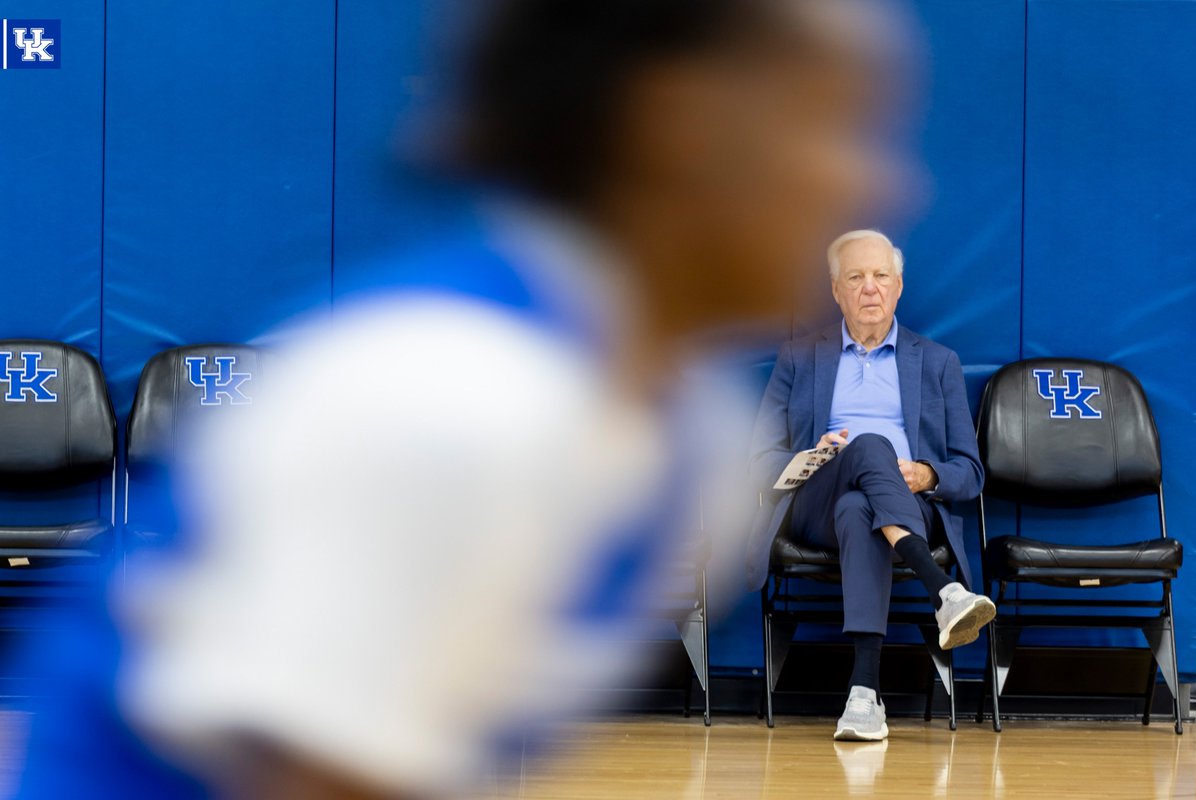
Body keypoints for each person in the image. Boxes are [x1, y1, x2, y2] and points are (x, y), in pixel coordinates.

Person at [15, 2, 912, 797]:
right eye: (830, 128)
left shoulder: (691, 436)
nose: (876, 184)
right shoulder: (455, 403)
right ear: (674, 125)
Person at [747, 229, 993, 742]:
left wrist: (926, 473)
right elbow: (758, 458)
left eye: (880, 276)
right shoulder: (799, 357)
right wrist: (813, 457)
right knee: (867, 446)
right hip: (815, 501)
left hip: (906, 502)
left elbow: (970, 472)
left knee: (861, 506)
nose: (870, 288)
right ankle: (943, 589)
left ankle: (863, 695)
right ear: (836, 290)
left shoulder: (937, 362)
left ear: (899, 286)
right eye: (855, 277)